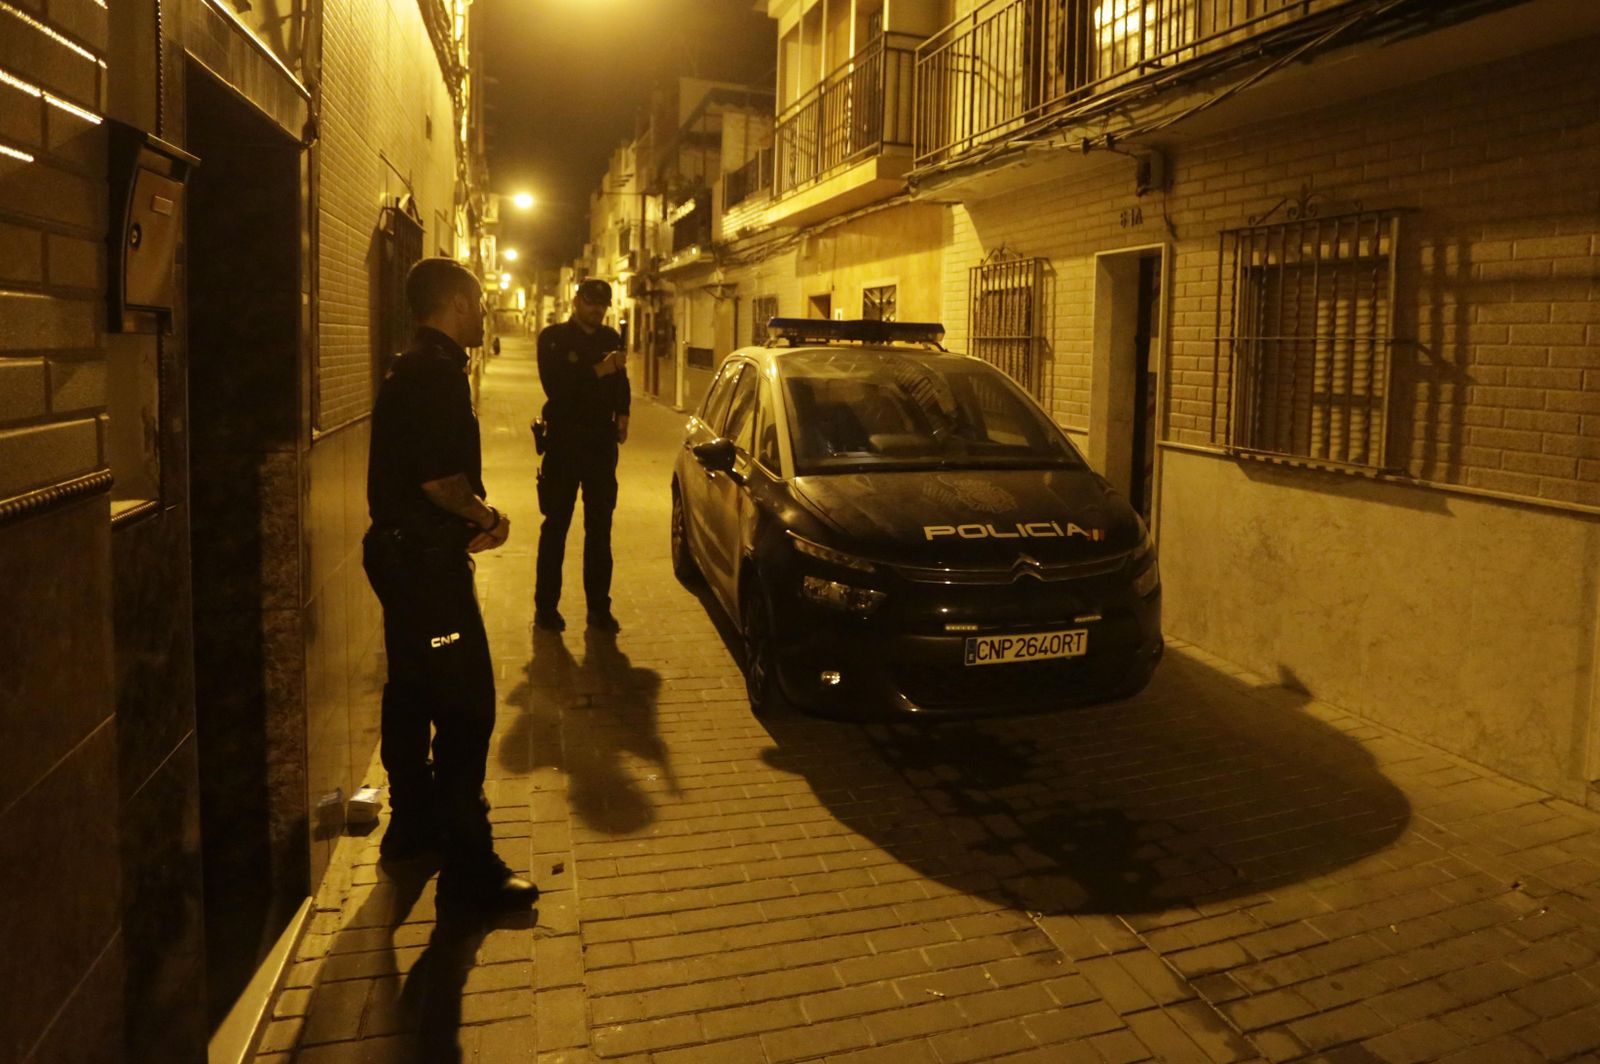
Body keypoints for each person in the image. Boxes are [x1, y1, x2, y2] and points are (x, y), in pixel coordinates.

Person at [363, 256, 537, 911]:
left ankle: (411, 827)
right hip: (426, 573)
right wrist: (488, 518)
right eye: (481, 302)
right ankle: (469, 868)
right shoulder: (435, 375)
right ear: (458, 305)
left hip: (399, 560)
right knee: (466, 707)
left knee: (410, 690)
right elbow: (440, 481)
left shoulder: (411, 365)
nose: (486, 311)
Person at [533, 277, 630, 633]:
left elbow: (621, 380)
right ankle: (546, 608)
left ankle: (599, 609)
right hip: (563, 443)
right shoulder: (553, 338)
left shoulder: (609, 338)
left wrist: (624, 412)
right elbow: (556, 388)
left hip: (600, 446)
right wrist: (599, 370)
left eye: (602, 305)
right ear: (576, 301)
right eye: (590, 302)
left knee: (600, 530)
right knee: (556, 527)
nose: (597, 310)